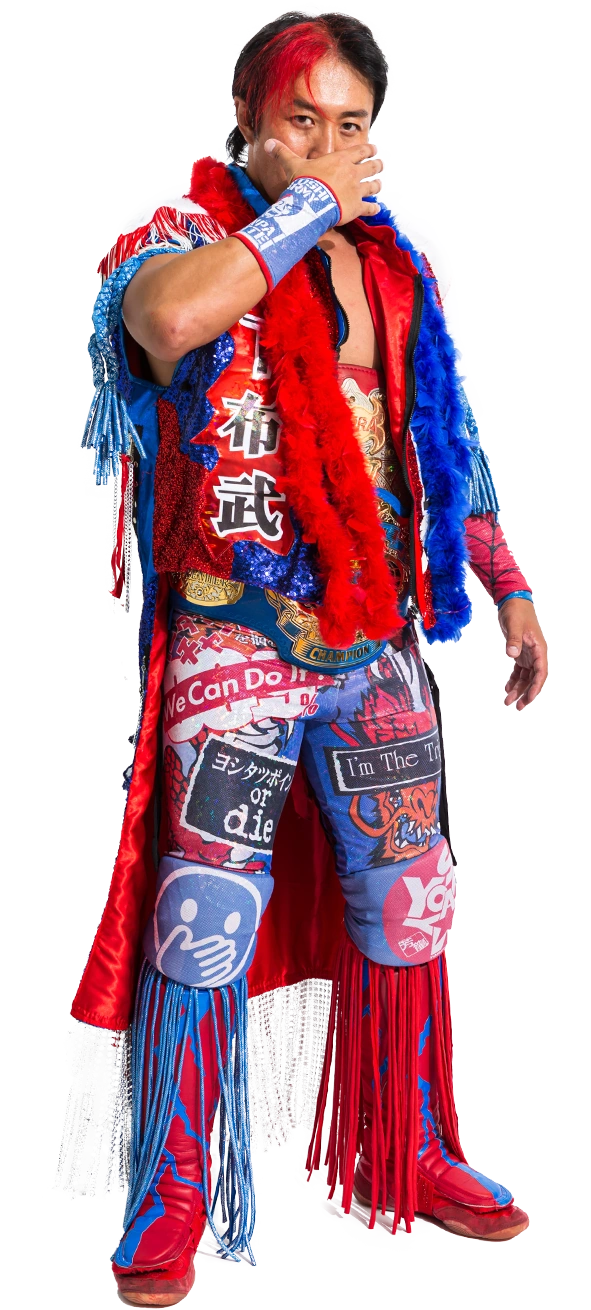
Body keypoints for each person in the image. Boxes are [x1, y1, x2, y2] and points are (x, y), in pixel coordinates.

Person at [71, 12, 548, 1305]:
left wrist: (508, 588)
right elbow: (171, 322)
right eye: (302, 120)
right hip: (235, 629)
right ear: (248, 118)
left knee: (410, 901)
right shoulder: (175, 228)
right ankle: (175, 1193)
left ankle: (415, 1145)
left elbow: (442, 436)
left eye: (351, 125)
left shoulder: (391, 264)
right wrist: (301, 211)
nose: (329, 146)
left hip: (375, 633)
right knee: (205, 918)